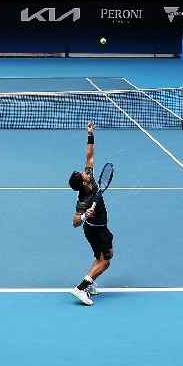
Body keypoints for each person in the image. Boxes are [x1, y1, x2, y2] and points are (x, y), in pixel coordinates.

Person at [69, 122, 112, 306]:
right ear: (83, 181)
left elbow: (89, 156)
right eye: (82, 173)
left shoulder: (90, 177)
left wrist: (90, 134)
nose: (84, 171)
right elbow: (75, 222)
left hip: (98, 228)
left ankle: (89, 284)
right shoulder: (84, 200)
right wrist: (86, 214)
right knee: (106, 261)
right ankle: (80, 288)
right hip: (96, 230)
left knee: (99, 257)